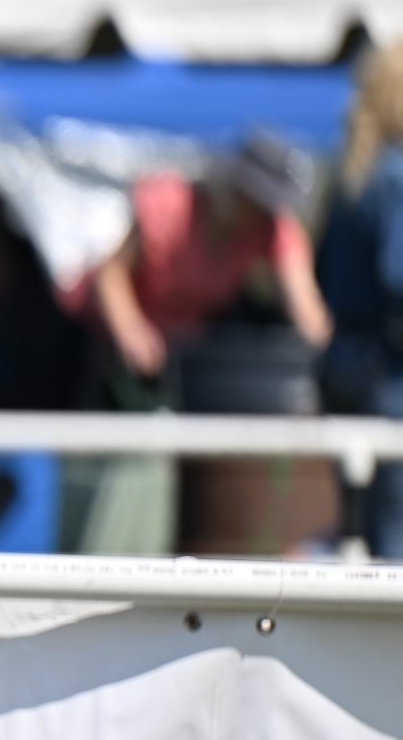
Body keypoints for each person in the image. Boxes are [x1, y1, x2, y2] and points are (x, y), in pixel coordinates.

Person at [61, 133, 332, 401]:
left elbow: (303, 299)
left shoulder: (270, 227)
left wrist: (318, 341)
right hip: (97, 338)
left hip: (181, 352)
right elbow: (111, 274)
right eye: (258, 200)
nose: (263, 213)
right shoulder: (170, 203)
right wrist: (131, 332)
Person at [317, 43, 403, 555]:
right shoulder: (395, 177)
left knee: (364, 532)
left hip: (347, 370)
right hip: (388, 380)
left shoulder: (354, 172)